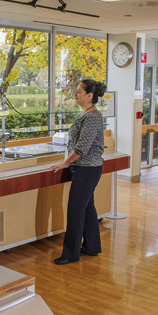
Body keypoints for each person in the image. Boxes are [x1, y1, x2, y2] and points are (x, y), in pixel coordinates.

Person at [50, 79, 105, 265]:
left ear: (89, 96)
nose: (75, 94)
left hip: (87, 169)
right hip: (84, 168)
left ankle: (70, 254)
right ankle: (91, 247)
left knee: (76, 210)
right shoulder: (86, 114)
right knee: (87, 209)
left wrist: (64, 163)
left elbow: (82, 148)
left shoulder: (92, 117)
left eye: (79, 91)